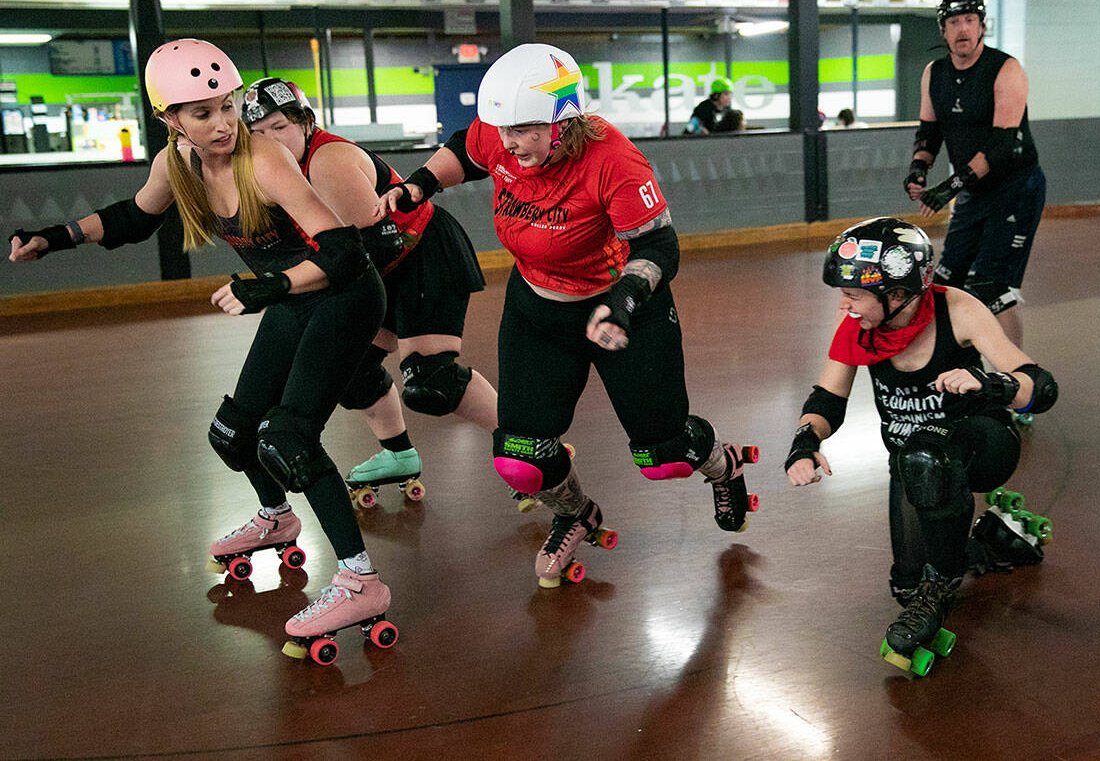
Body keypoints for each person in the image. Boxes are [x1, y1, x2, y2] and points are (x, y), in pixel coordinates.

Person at [9, 39, 396, 663]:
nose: (221, 125)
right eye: (201, 113)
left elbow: (347, 256)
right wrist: (52, 237)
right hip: (292, 299)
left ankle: (361, 581)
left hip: (345, 299)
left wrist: (270, 285)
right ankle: (277, 518)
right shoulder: (179, 163)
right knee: (234, 433)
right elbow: (134, 217)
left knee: (289, 439)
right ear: (170, 119)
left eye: (227, 107)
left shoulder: (264, 157)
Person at [384, 43, 756, 587]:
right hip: (538, 309)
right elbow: (466, 148)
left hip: (623, 308)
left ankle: (722, 464)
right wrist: (418, 184)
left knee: (664, 455)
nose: (510, 144)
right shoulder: (503, 137)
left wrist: (626, 300)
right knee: (520, 458)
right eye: (505, 130)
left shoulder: (613, 159)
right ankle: (574, 512)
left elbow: (660, 247)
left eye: (525, 130)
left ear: (564, 119)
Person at [783, 217, 1058, 674]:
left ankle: (945, 582)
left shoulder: (959, 310)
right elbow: (827, 399)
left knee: (927, 459)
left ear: (896, 294)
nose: (843, 304)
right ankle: (991, 540)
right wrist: (804, 442)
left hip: (985, 446)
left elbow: (1041, 387)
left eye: (854, 294)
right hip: (914, 463)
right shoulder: (858, 324)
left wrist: (989, 383)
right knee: (908, 587)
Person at [241, 77, 495, 504]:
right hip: (381, 271)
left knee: (432, 381)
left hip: (421, 257)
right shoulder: (277, 169)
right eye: (259, 134)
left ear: (305, 123)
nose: (272, 142)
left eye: (279, 127)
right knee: (351, 374)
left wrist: (309, 296)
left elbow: (376, 247)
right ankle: (399, 455)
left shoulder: (327, 161)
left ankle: (526, 443)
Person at [903, 0, 1047, 350]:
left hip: (1016, 188)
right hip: (973, 190)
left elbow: (1000, 147)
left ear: (982, 25)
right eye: (954, 21)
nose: (963, 29)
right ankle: (959, 370)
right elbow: (929, 132)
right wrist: (918, 170)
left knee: (991, 288)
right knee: (948, 283)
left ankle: (1018, 381)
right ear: (943, 29)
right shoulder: (934, 73)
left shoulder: (1005, 69)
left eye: (970, 20)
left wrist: (948, 188)